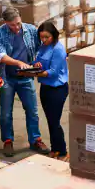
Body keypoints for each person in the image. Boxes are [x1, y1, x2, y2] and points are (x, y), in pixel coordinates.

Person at [0, 8, 46, 156]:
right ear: (5, 23)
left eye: (18, 24)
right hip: (7, 78)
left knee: (32, 110)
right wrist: (18, 63)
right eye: (12, 25)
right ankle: (7, 141)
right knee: (6, 113)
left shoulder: (31, 30)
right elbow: (1, 56)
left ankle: (35, 139)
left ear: (21, 18)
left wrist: (39, 62)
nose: (16, 28)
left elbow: (40, 48)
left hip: (26, 77)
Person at [34, 22, 69, 160]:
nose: (43, 40)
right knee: (50, 120)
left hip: (57, 89)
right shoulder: (43, 47)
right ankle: (55, 148)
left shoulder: (58, 49)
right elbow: (37, 61)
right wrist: (36, 65)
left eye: (46, 37)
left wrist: (35, 74)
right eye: (41, 37)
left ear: (53, 36)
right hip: (45, 87)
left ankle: (63, 151)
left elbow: (53, 72)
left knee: (55, 121)